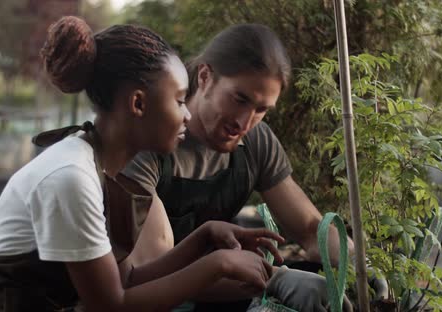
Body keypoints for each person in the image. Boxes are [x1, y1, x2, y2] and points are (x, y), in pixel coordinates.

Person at [0, 16, 285, 312]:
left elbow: (127, 280)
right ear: (138, 103)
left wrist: (204, 237)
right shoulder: (72, 177)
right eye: (180, 100)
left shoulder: (104, 172)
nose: (187, 114)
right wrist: (218, 264)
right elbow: (111, 304)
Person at [119, 23, 355, 311]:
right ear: (205, 77)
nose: (245, 122)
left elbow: (309, 229)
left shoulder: (255, 142)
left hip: (224, 292)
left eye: (261, 109)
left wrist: (357, 267)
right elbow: (154, 266)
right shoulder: (149, 145)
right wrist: (276, 280)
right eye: (239, 99)